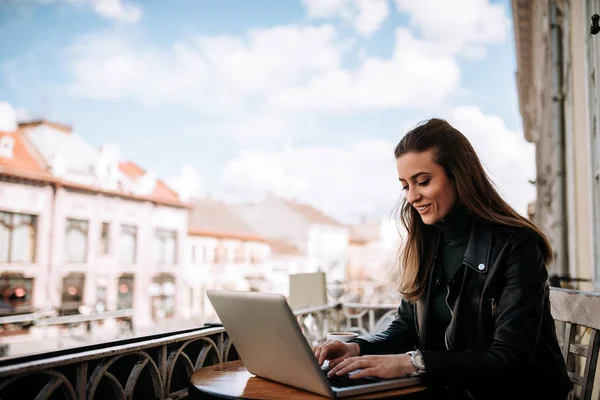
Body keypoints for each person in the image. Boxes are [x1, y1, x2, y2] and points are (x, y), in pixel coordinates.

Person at [314, 118, 571, 400]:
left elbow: (509, 357)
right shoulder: (426, 240)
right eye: (405, 186)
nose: (412, 196)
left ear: (459, 176)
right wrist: (358, 347)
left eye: (423, 181)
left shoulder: (516, 243)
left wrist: (412, 362)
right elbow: (406, 326)